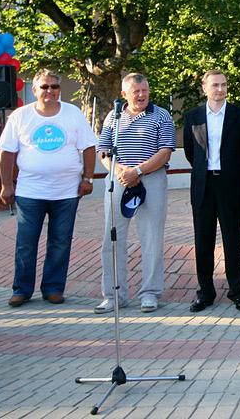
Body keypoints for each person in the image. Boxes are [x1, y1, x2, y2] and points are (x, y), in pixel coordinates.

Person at [0, 69, 97, 307]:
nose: (49, 91)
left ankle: (53, 288)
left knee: (60, 242)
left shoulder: (72, 114)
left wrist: (88, 178)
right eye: (44, 87)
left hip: (66, 193)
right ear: (34, 90)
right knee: (26, 242)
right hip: (29, 192)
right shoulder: (21, 116)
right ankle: (21, 289)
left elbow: (89, 147)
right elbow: (6, 152)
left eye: (54, 87)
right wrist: (6, 185)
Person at [95, 73, 176, 314]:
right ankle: (113, 295)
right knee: (112, 237)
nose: (141, 96)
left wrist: (138, 171)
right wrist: (118, 170)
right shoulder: (113, 116)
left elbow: (165, 152)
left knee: (151, 238)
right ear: (124, 95)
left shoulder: (161, 115)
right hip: (119, 180)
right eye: (136, 92)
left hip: (151, 179)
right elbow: (103, 152)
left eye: (145, 91)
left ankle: (150, 293)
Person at [182, 70, 240, 313]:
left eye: (224, 85)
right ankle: (205, 293)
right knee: (203, 242)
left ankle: (238, 292)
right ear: (204, 88)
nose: (220, 89)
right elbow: (192, 153)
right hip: (203, 186)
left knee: (233, 241)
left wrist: (233, 171)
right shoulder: (192, 117)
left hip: (230, 184)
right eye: (215, 85)